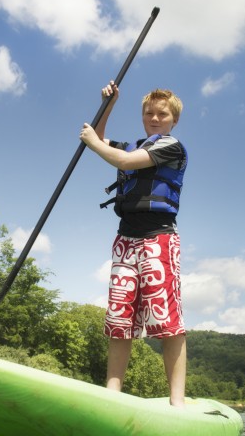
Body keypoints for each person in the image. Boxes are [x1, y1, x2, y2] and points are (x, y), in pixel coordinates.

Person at [79, 80, 187, 407]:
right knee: (118, 320)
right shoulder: (132, 146)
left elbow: (120, 160)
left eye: (162, 114)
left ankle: (177, 402)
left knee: (167, 322)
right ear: (143, 116)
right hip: (125, 241)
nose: (155, 118)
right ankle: (112, 396)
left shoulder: (171, 147)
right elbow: (98, 136)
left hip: (159, 239)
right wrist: (107, 103)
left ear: (173, 119)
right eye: (149, 113)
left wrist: (93, 144)